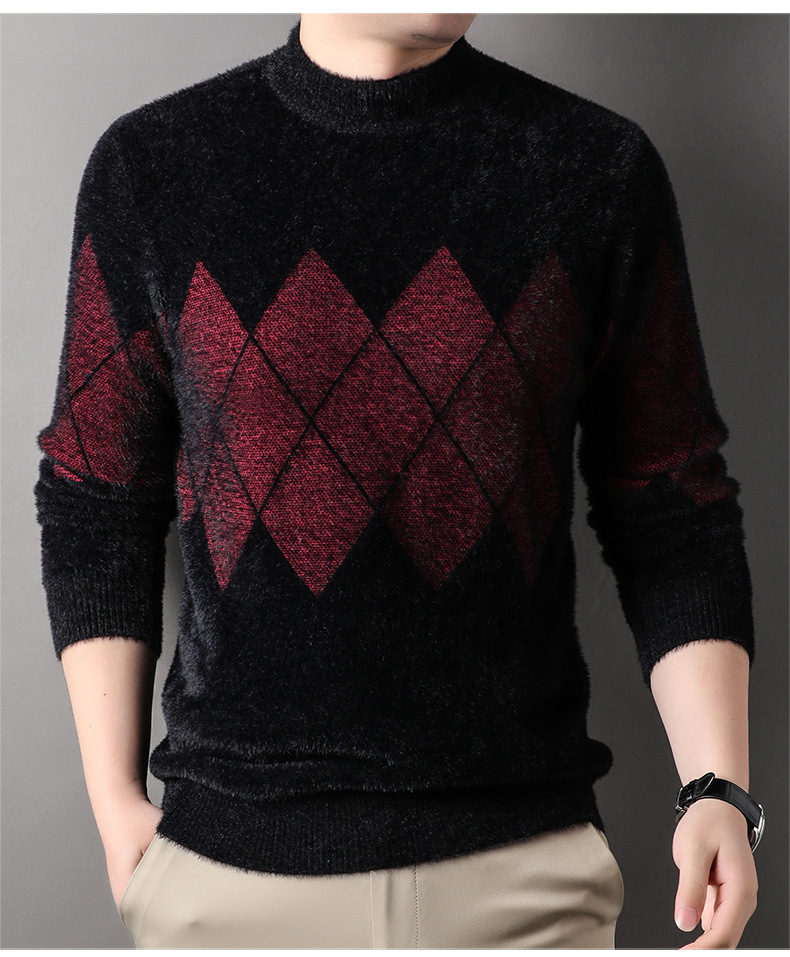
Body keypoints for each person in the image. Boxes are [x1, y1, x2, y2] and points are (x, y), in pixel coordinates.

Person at [35, 13, 761, 949]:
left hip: (526, 883)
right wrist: (111, 799)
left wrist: (718, 788)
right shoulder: (156, 166)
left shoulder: (595, 169)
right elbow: (95, 497)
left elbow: (670, 503)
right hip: (227, 883)